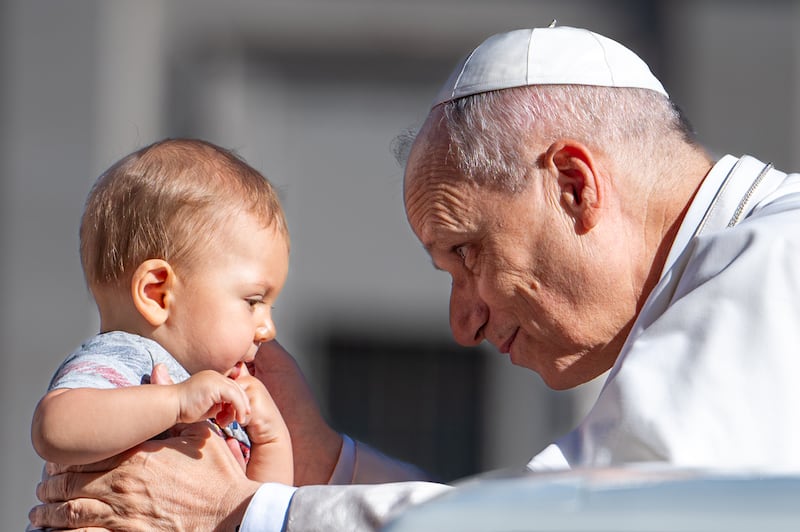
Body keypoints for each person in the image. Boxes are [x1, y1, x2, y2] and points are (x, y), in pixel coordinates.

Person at [29, 24, 800, 531]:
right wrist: (323, 460)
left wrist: (246, 515)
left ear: (572, 186)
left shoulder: (774, 262)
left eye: (466, 253)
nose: (462, 322)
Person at [29, 139, 294, 496]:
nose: (267, 329)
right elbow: (54, 427)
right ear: (157, 294)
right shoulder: (129, 359)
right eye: (253, 301)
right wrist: (177, 402)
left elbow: (253, 513)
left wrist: (271, 439)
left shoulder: (215, 401)